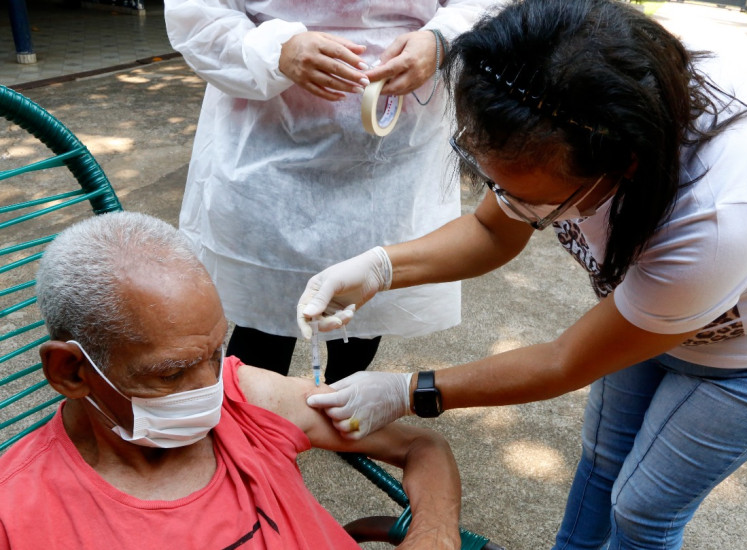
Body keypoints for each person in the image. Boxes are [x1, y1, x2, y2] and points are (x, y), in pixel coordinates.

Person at [296, 0, 747, 548]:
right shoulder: (568, 99)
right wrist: (379, 267)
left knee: (643, 510)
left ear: (625, 165)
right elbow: (494, 231)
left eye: (531, 201)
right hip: (657, 308)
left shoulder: (725, 212)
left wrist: (407, 391)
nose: (510, 205)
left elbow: (567, 360)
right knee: (601, 461)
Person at [0, 212, 461, 550]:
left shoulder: (246, 396)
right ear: (71, 372)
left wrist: (435, 533)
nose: (209, 390)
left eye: (216, 352)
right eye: (171, 372)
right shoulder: (18, 515)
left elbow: (422, 447)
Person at [163, 0, 498, 382]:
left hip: (394, 153)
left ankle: (344, 399)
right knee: (263, 319)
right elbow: (197, 12)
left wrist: (441, 40)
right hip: (268, 147)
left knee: (365, 304)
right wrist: (276, 50)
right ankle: (251, 426)